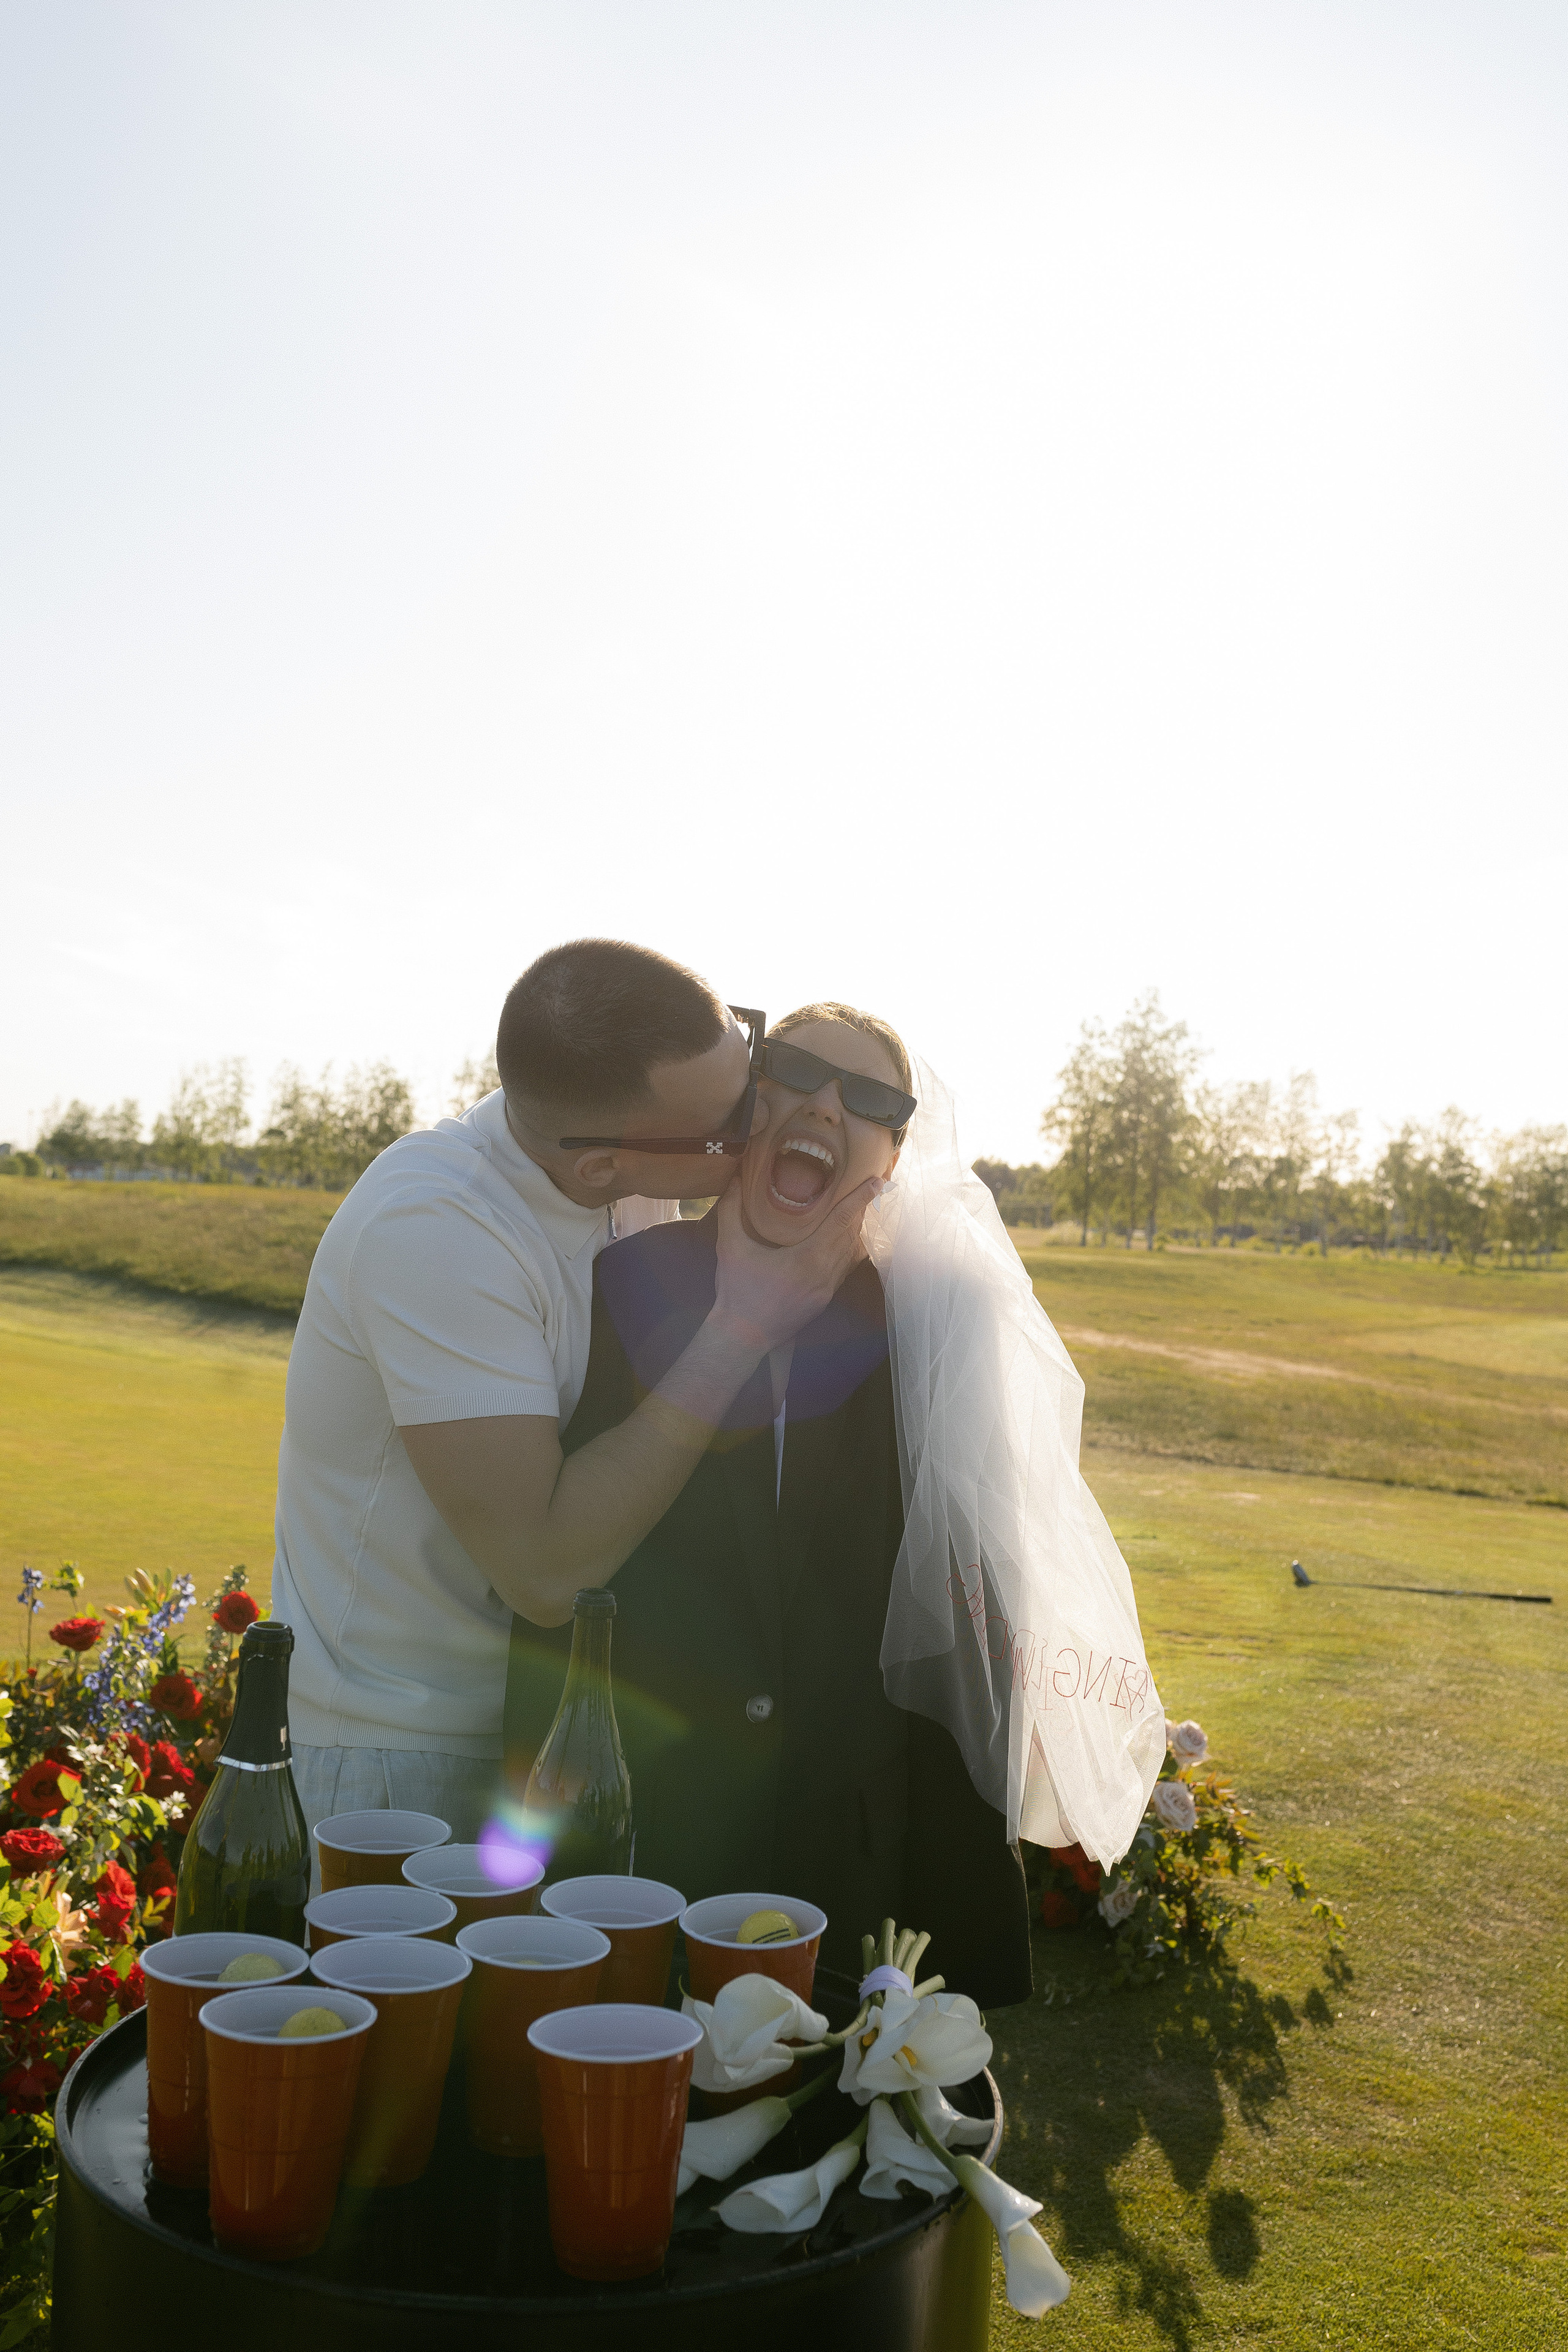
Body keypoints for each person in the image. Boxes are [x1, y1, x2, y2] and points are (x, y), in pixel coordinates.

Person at [504, 1004, 1165, 2008]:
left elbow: (969, 1615)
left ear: (893, 1152)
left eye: (868, 1097)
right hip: (648, 1844)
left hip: (850, 1863)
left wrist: (967, 1934)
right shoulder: (622, 1283)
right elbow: (561, 1579)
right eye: (800, 1068)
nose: (826, 1102)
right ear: (751, 1095)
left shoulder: (931, 1326)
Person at [271, 943, 880, 1853]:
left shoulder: (623, 1182)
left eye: (750, 1064)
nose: (761, 1117)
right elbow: (545, 1571)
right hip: (403, 1761)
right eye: (728, 1127)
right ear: (601, 1164)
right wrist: (743, 1329)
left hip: (543, 1738)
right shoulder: (437, 1231)